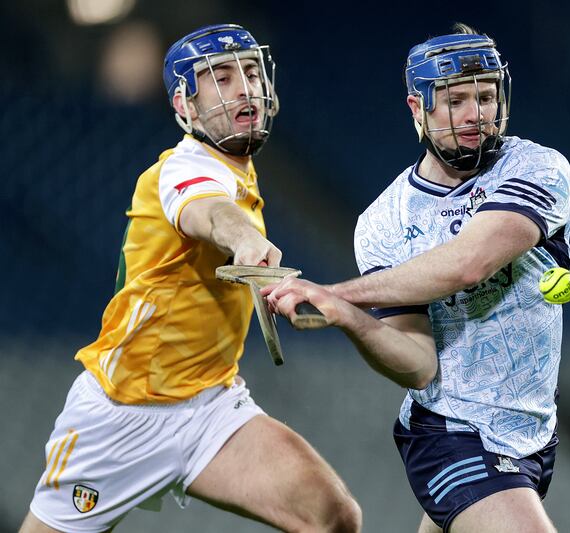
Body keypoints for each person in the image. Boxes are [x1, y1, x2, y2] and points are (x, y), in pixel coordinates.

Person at [20, 24, 361, 533]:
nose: (244, 88)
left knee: (332, 516)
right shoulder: (181, 170)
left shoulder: (237, 166)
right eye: (220, 77)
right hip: (120, 415)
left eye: (249, 72)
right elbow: (209, 211)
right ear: (185, 106)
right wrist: (243, 240)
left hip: (210, 407)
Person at [267, 23, 570, 533]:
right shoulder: (384, 222)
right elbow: (418, 365)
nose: (477, 114)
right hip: (450, 434)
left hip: (533, 434)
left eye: (487, 96)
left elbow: (467, 264)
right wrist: (350, 319)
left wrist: (339, 294)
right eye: (455, 101)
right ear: (418, 108)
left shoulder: (536, 167)